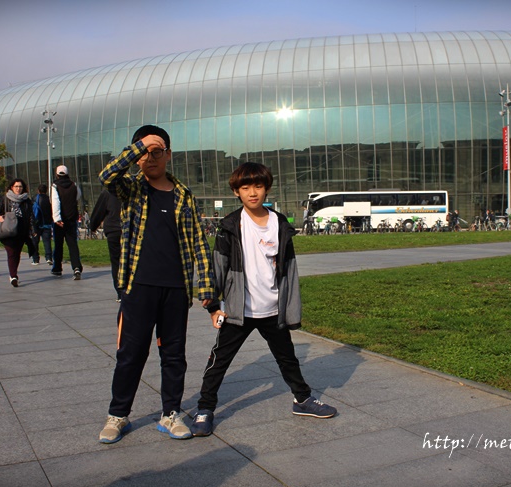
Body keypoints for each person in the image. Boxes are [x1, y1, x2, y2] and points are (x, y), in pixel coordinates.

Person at [190, 162, 337, 438]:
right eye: (245, 187)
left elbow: (288, 268)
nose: (252, 192)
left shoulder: (279, 223)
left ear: (266, 188)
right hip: (238, 311)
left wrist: (289, 307)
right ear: (236, 191)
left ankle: (302, 399)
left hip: (272, 309)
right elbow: (217, 267)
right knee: (218, 362)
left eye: (258, 186)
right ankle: (204, 409)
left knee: (287, 358)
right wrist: (213, 306)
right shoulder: (230, 225)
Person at [97, 124, 216, 444]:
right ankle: (117, 415)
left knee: (174, 356)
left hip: (175, 289)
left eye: (157, 151)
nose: (150, 158)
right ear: (135, 155)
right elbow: (106, 176)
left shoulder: (183, 195)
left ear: (169, 155)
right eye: (144, 152)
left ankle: (170, 413)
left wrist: (206, 288)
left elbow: (198, 242)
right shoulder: (130, 189)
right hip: (138, 287)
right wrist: (140, 146)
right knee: (131, 354)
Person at [0, 178, 35, 287]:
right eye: (16, 186)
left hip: (21, 230)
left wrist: (32, 230)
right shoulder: (6, 198)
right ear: (12, 187)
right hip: (8, 229)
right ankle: (13, 276)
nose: (18, 188)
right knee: (11, 252)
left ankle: (13, 273)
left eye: (20, 186)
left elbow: (31, 216)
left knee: (17, 253)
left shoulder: (26, 200)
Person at [89, 188, 122, 301]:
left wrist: (93, 226)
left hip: (114, 229)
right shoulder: (131, 188)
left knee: (116, 260)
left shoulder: (108, 192)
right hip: (127, 229)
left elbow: (99, 211)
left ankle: (120, 291)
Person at [50, 165, 83, 279]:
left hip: (60, 220)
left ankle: (57, 268)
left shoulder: (55, 186)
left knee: (58, 245)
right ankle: (76, 267)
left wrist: (57, 218)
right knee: (72, 244)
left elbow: (55, 202)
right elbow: (78, 196)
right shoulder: (74, 185)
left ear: (57, 174)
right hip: (71, 218)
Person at [32, 184, 54, 265]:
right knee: (47, 242)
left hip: (36, 224)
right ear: (46, 190)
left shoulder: (35, 198)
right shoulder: (49, 199)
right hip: (47, 224)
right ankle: (49, 257)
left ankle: (35, 259)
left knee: (35, 242)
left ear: (38, 190)